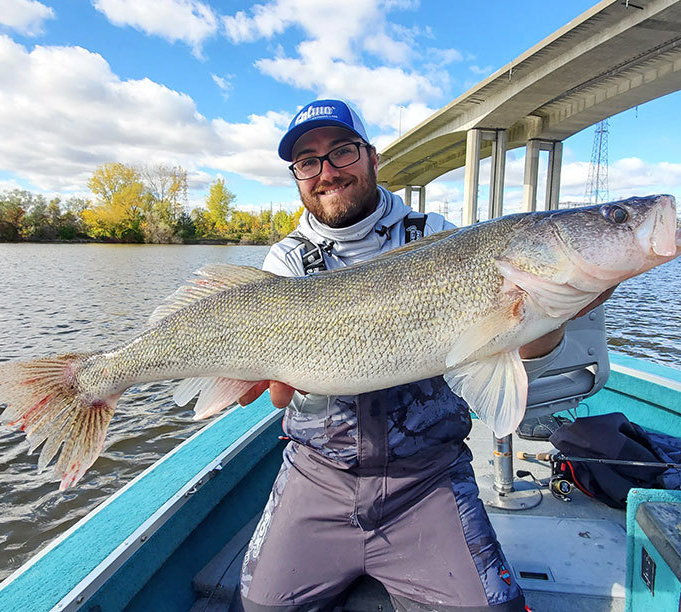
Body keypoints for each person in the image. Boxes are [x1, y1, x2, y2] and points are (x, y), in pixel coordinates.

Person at [235, 99, 609, 612]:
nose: (327, 173)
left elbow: (523, 357)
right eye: (308, 162)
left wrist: (545, 318)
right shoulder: (284, 261)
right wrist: (264, 379)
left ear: (371, 157)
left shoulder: (438, 237)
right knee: (260, 607)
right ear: (297, 176)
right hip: (318, 475)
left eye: (342, 152)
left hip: (427, 478)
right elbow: (278, 397)